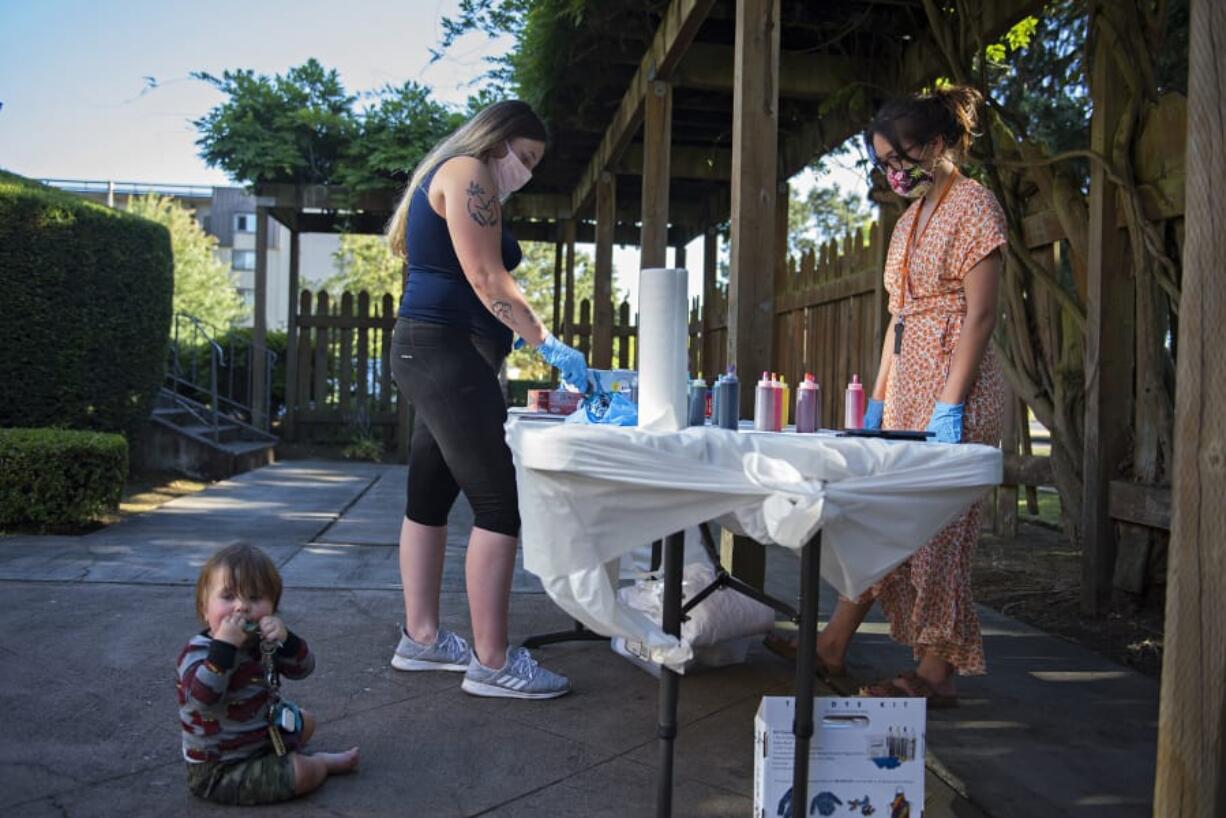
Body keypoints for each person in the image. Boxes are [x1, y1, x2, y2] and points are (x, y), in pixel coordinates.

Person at [780, 85, 1007, 707]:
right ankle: (832, 645)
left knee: (940, 533)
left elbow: (981, 315)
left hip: (955, 388)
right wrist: (878, 399)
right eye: (882, 162)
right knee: (884, 520)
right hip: (907, 388)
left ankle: (936, 674)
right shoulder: (908, 221)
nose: (892, 172)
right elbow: (898, 317)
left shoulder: (975, 206)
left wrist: (950, 405)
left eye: (899, 158)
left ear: (937, 145)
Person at [384, 100, 585, 699]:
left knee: (429, 496)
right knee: (500, 502)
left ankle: (420, 639)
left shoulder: (447, 172)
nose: (525, 171)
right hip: (445, 353)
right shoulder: (468, 171)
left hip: (435, 352)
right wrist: (548, 344)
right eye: (523, 158)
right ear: (497, 141)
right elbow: (486, 278)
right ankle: (492, 661)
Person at [177, 543, 359, 804]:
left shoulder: (263, 642)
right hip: (221, 768)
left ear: (272, 606)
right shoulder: (196, 653)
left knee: (306, 721)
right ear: (205, 608)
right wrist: (224, 648)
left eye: (254, 598)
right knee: (302, 773)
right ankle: (320, 764)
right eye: (228, 597)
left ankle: (285, 758)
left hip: (261, 737)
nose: (241, 607)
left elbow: (304, 668)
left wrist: (288, 639)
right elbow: (201, 701)